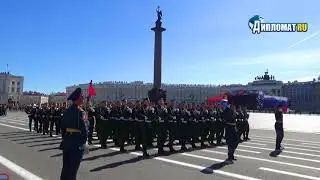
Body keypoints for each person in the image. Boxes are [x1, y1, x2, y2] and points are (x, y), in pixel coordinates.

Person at [59, 88, 89, 180]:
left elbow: (62, 126)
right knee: (73, 171)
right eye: (82, 98)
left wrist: (66, 137)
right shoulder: (81, 112)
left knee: (65, 169)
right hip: (77, 143)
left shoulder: (67, 111)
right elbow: (85, 130)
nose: (83, 99)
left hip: (67, 142)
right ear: (78, 99)